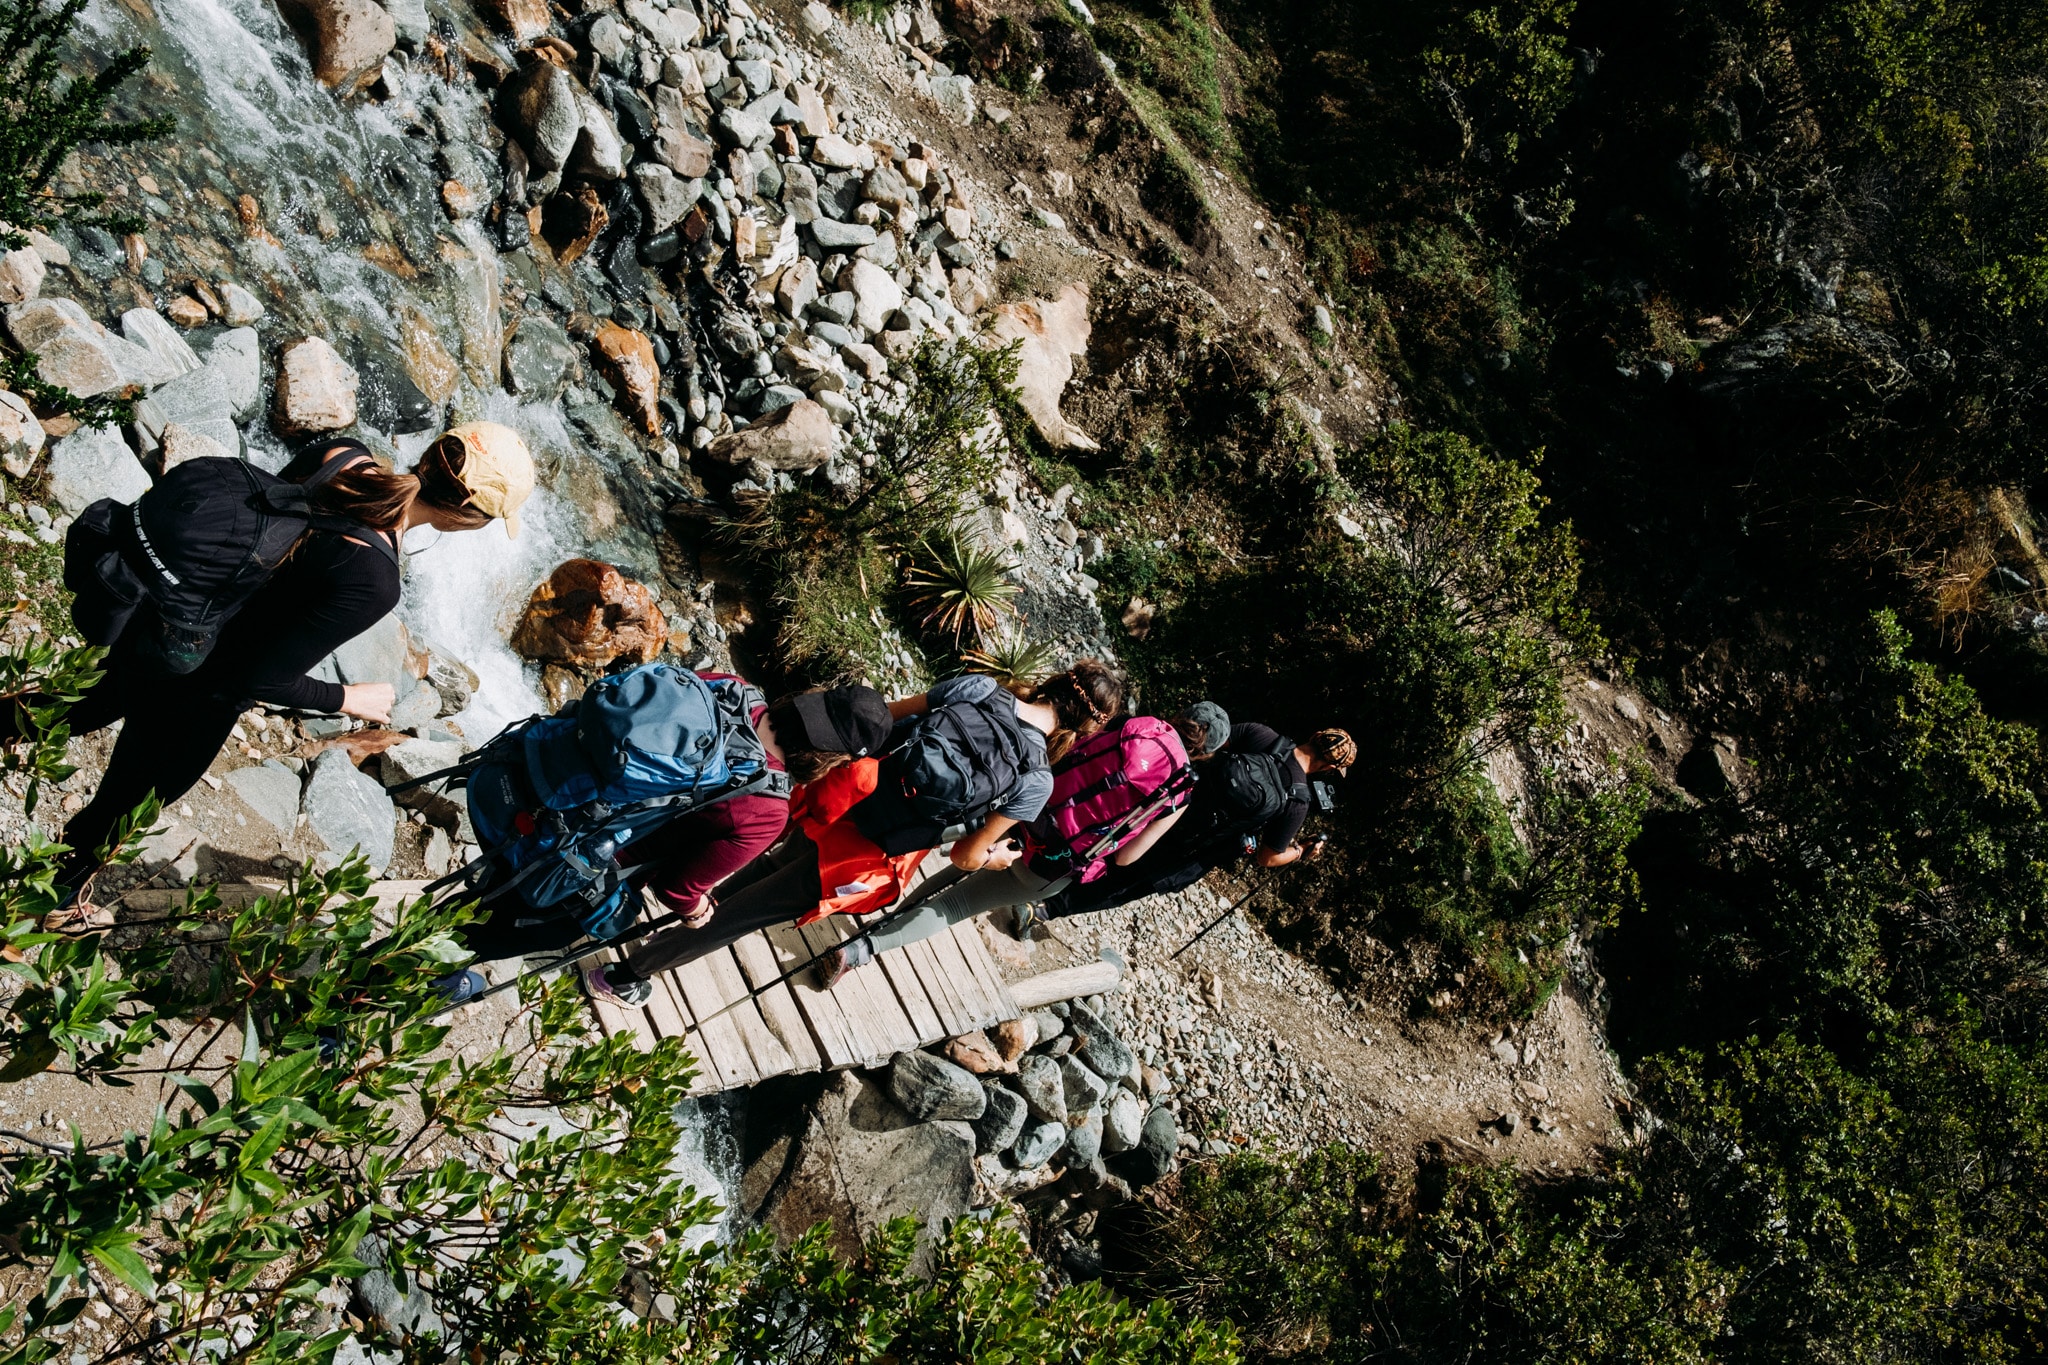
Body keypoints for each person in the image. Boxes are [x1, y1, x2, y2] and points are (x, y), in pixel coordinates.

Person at [50, 423, 534, 897]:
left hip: (165, 620)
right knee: (116, 815)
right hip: (200, 696)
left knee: (56, 712)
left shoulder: (341, 456)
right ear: (469, 514)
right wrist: (348, 697)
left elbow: (267, 533)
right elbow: (263, 678)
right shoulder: (375, 577)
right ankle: (35, 902)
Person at [585, 660, 1124, 1004]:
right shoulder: (1034, 779)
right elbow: (964, 855)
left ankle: (638, 923)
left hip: (844, 795)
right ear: (1090, 725)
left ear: (1055, 679)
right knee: (745, 915)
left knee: (761, 866)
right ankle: (626, 974)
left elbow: (885, 720)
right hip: (869, 850)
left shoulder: (980, 689)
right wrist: (998, 860)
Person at [454, 681, 893, 965]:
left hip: (528, 777)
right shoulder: (766, 810)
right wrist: (698, 913)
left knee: (496, 888)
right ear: (834, 760)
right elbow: (677, 890)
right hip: (570, 863)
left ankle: (445, 923)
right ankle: (431, 969)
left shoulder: (734, 688)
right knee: (537, 926)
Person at [809, 703, 1213, 983]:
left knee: (959, 864)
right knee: (955, 905)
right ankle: (859, 951)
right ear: (1208, 753)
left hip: (1022, 810)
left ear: (1181, 717)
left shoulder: (1134, 726)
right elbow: (1127, 858)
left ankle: (850, 903)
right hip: (1056, 860)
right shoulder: (1180, 790)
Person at [1041, 717, 1356, 923]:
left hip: (1170, 804)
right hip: (1191, 850)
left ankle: (1037, 878)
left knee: (1101, 844)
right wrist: (1300, 852)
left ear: (1314, 735)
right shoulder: (1298, 802)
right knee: (1123, 885)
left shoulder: (1261, 734)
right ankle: (1046, 909)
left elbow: (1207, 745)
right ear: (1329, 769)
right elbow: (1268, 856)